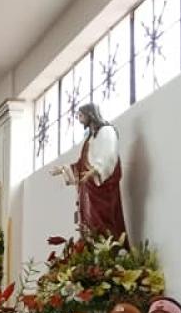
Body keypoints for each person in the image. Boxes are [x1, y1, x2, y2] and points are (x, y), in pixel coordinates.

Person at [52, 102, 126, 240]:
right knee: (89, 222)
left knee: (104, 223)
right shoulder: (90, 138)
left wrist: (95, 171)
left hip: (102, 188)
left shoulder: (107, 131)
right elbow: (82, 164)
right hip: (88, 188)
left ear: (90, 114)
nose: (79, 119)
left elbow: (109, 155)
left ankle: (108, 252)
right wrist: (63, 169)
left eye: (81, 115)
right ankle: (92, 250)